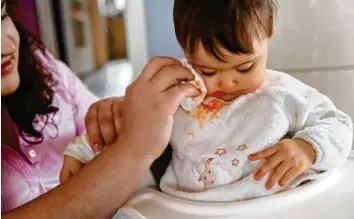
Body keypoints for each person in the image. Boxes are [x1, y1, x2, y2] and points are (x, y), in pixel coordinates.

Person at [62, 0, 353, 203]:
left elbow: (339, 124)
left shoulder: (284, 94)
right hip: (184, 207)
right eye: (208, 70)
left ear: (268, 35)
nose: (226, 83)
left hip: (271, 206)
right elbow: (125, 121)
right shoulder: (175, 89)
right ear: (185, 50)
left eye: (244, 68)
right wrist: (80, 152)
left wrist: (308, 147)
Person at [1, 0, 199, 218]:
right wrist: (133, 147)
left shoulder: (43, 67)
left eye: (2, 15)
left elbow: (96, 132)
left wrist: (115, 118)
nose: (7, 46)